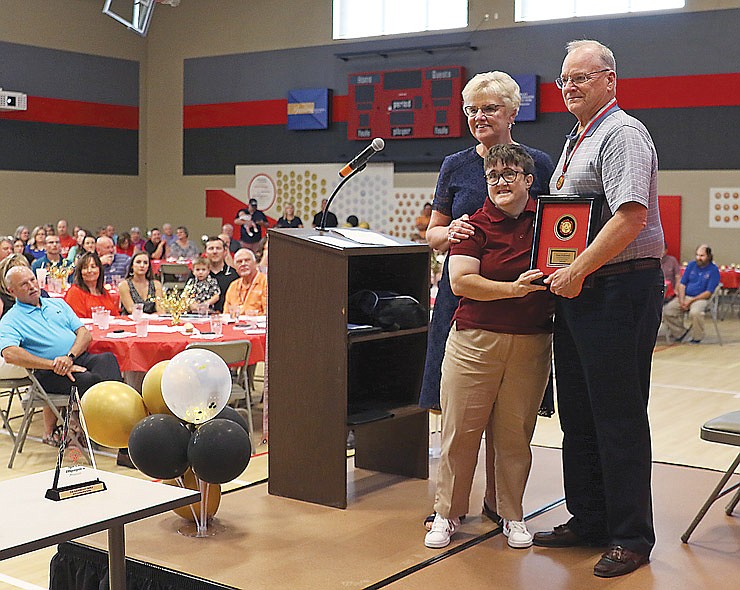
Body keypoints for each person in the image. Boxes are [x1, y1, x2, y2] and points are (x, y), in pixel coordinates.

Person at [534, 40, 664, 579]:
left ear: (610, 80)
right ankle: (588, 517)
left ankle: (631, 536)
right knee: (580, 415)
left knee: (618, 415)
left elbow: (630, 217)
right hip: (580, 289)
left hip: (619, 288)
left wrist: (578, 268)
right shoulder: (575, 138)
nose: (570, 86)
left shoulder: (623, 134)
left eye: (582, 78)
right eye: (565, 79)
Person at [418, 70, 555, 531]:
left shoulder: (539, 161)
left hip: (526, 316)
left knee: (512, 422)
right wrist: (448, 232)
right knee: (462, 414)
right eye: (472, 109)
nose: (479, 116)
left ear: (513, 112)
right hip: (467, 307)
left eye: (490, 108)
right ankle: (449, 509)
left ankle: (503, 508)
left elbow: (557, 227)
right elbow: (433, 232)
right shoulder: (455, 165)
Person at [0, 266, 122, 446]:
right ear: (12, 291)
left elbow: (84, 334)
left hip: (75, 358)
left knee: (107, 359)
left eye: (33, 280)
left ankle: (117, 428)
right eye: (24, 284)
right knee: (92, 380)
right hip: (49, 372)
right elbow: (10, 354)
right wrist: (53, 364)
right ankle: (109, 434)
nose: (32, 286)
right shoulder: (11, 319)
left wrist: (69, 358)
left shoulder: (57, 304)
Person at [662, 244, 720, 343]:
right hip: (685, 296)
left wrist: (691, 301)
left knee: (695, 312)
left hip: (701, 299)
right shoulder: (691, 265)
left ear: (709, 256)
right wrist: (682, 300)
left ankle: (697, 337)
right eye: (697, 255)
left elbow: (708, 293)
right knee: (667, 311)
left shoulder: (714, 270)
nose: (699, 258)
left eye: (702, 255)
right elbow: (682, 284)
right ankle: (681, 333)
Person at [64, 252, 120, 318]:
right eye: (85, 268)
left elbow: (116, 316)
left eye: (93, 267)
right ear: (80, 272)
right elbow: (77, 322)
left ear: (100, 270)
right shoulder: (74, 292)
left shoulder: (103, 292)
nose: (89, 270)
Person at [224, 248, 267, 315]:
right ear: (235, 267)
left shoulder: (266, 282)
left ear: (255, 263)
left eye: (247, 260)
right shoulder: (233, 286)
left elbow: (268, 315)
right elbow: (226, 314)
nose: (243, 264)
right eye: (239, 262)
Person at [204, 236, 238, 312]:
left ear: (225, 252)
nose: (214, 252)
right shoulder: (197, 274)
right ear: (205, 253)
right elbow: (187, 297)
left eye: (218, 248)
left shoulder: (233, 275)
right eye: (211, 248)